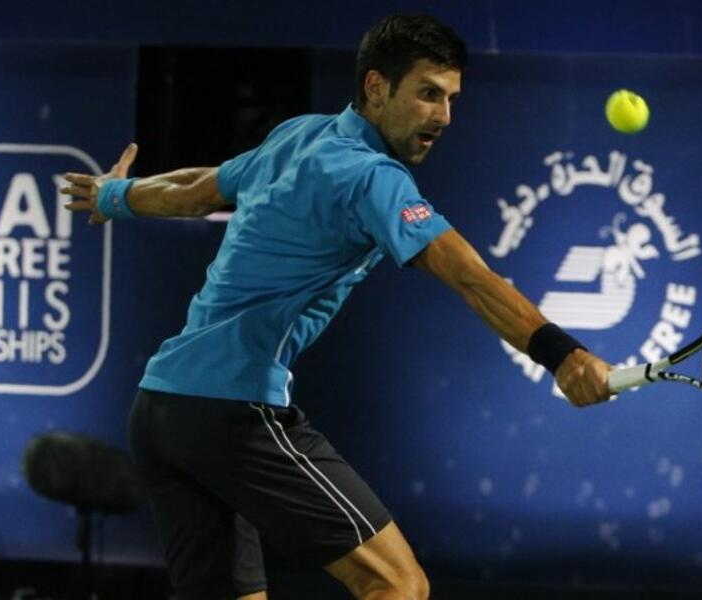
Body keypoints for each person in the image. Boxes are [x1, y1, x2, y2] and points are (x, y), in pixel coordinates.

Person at [62, 14, 612, 600]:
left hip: (161, 412)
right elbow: (470, 278)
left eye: (451, 99)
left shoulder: (300, 134)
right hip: (232, 412)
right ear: (377, 87)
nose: (443, 117)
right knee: (397, 584)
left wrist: (115, 195)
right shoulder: (373, 179)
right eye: (428, 94)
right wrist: (563, 355)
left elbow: (199, 190)